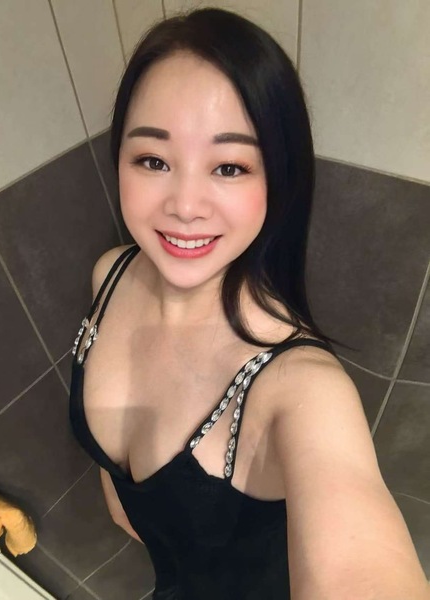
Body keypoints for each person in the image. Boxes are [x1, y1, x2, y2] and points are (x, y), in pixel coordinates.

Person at [69, 8, 430, 600]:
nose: (185, 205)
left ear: (278, 180)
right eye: (153, 160)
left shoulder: (302, 387)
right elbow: (121, 491)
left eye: (230, 167)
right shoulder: (110, 274)